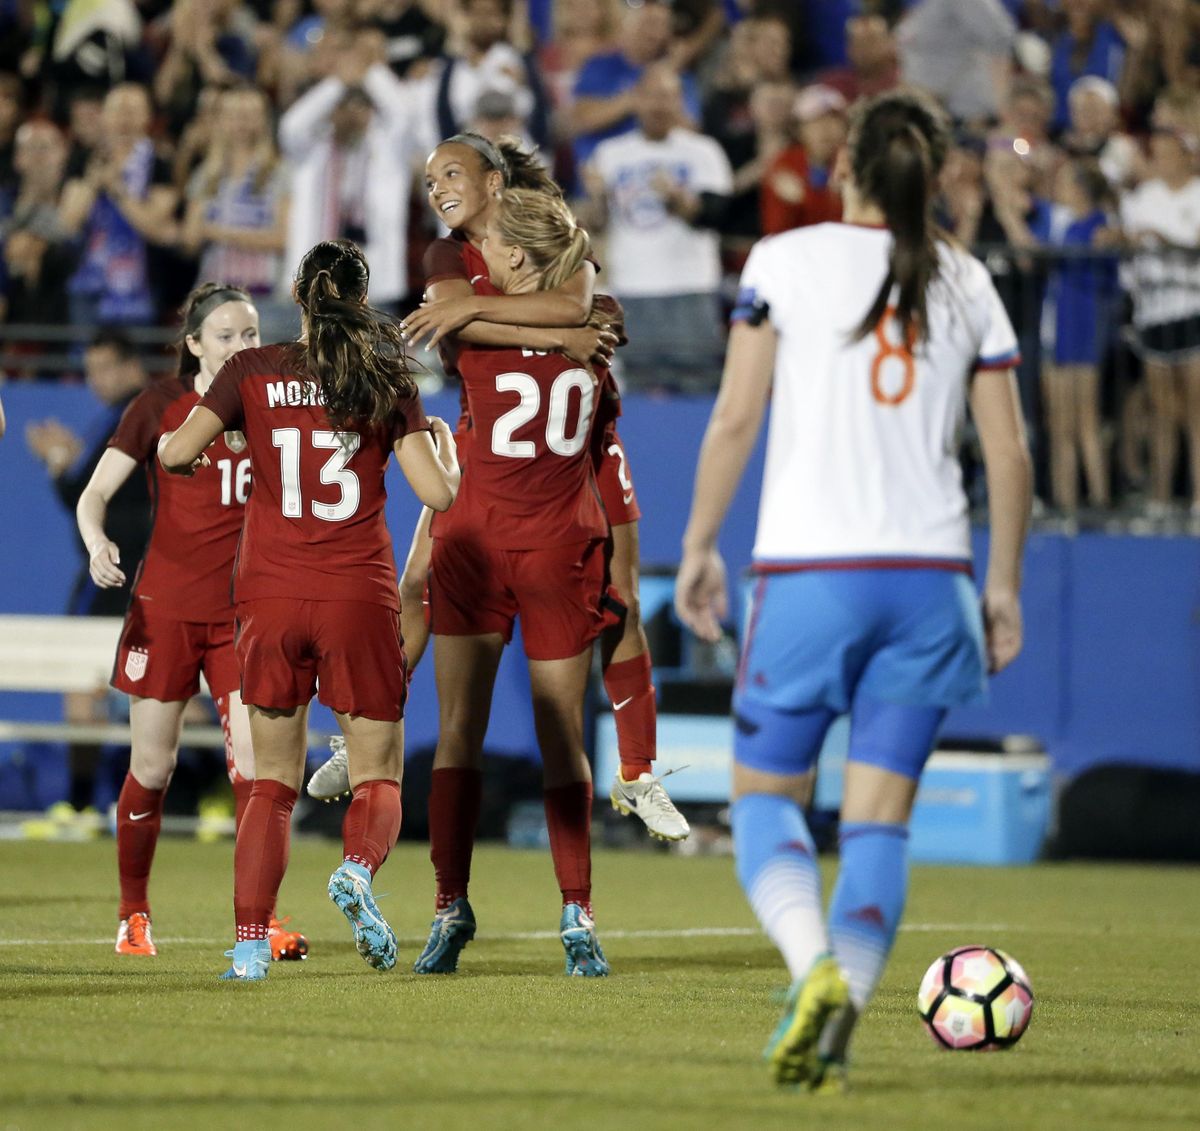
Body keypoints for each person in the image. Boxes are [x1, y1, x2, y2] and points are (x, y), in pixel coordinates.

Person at [674, 91, 1032, 1090]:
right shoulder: (967, 278)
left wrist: (700, 542)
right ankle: (839, 1035)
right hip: (932, 585)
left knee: (763, 804)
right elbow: (1008, 453)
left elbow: (736, 418)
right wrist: (1000, 585)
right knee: (879, 823)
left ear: (846, 170)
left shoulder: (784, 263)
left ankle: (812, 968)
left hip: (809, 577)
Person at [308, 134, 688, 912]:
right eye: (429, 178)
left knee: (624, 603)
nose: (438, 187)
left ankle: (639, 771)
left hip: (578, 458)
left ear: (495, 182)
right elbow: (530, 319)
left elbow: (570, 307)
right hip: (497, 460)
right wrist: (558, 333)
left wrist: (500, 314)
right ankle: (368, 734)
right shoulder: (449, 257)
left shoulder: (549, 241)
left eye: (452, 173)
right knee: (414, 583)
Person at [159, 239, 459, 982]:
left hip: (267, 595)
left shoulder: (250, 370)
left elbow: (172, 455)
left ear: (298, 296)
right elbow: (438, 494)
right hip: (356, 593)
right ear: (362, 301)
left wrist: (214, 438)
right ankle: (356, 871)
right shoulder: (385, 376)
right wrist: (445, 452)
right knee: (376, 772)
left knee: (271, 783)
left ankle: (252, 945)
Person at [74, 283, 306, 962]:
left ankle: (259, 924)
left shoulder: (273, 405)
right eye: (228, 335)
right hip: (166, 611)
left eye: (253, 333)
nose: (244, 345)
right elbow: (94, 494)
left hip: (243, 616)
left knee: (258, 774)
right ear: (196, 343)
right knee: (153, 764)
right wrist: (97, 545)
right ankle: (133, 914)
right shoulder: (159, 405)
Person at [422, 187, 618, 976]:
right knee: (561, 736)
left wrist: (470, 314)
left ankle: (448, 906)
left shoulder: (466, 324)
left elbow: (457, 316)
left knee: (458, 730)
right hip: (559, 545)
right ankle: (577, 911)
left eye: (491, 242)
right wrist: (575, 333)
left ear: (512, 258)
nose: (475, 249)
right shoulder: (596, 321)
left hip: (476, 537)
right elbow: (586, 316)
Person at [26, 329, 151, 821]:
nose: (96, 380)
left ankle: (80, 804)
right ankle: (201, 790)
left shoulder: (132, 412)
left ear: (129, 364)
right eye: (90, 369)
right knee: (164, 688)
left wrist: (58, 461)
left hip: (114, 577)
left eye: (103, 368)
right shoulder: (143, 411)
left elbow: (86, 496)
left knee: (83, 682)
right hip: (144, 575)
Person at [582, 63, 733, 388]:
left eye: (667, 96)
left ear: (680, 100)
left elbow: (719, 215)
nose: (658, 105)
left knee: (698, 386)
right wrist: (597, 198)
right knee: (638, 391)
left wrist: (679, 199)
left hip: (691, 285)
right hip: (634, 287)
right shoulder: (610, 153)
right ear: (636, 99)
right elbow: (598, 225)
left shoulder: (703, 152)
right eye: (651, 96)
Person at [1119, 118, 1200, 515]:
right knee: (1163, 410)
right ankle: (1161, 496)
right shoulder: (1144, 197)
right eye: (1159, 155)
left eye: (1172, 154)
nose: (1164, 161)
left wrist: (1164, 241)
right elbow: (1129, 247)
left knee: (1196, 409)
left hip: (1193, 308)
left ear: (1189, 156)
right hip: (1154, 311)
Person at [57, 83, 179, 327]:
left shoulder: (160, 163)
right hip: (88, 284)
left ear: (147, 117)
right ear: (104, 116)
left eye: (132, 110)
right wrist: (93, 182)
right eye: (118, 110)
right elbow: (67, 223)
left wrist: (117, 190)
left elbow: (154, 226)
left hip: (141, 286)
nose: (124, 119)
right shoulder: (83, 159)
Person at [1040, 158, 1118, 514]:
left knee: (1085, 421)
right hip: (1060, 328)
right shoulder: (1065, 224)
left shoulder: (1101, 225)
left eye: (1066, 182)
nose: (1060, 187)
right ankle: (1066, 505)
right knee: (1061, 426)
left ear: (1081, 190)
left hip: (1085, 328)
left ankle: (1099, 502)